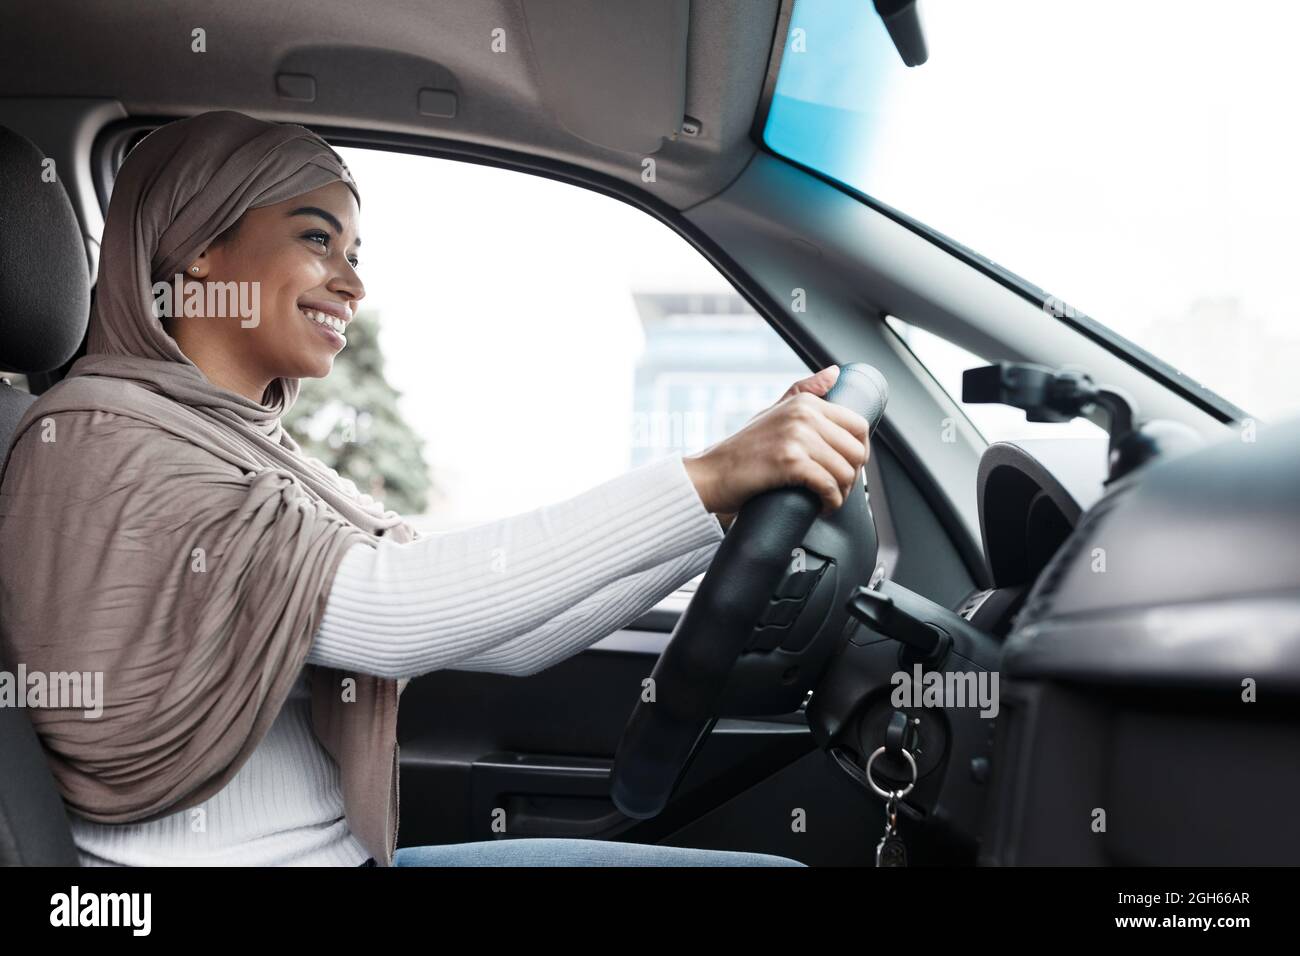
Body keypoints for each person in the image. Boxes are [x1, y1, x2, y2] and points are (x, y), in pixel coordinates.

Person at [0, 110, 870, 867]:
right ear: (196, 253)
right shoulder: (97, 441)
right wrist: (714, 471)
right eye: (315, 238)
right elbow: (397, 613)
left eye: (354, 249)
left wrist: (717, 509)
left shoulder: (243, 451)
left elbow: (505, 641)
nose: (352, 280)